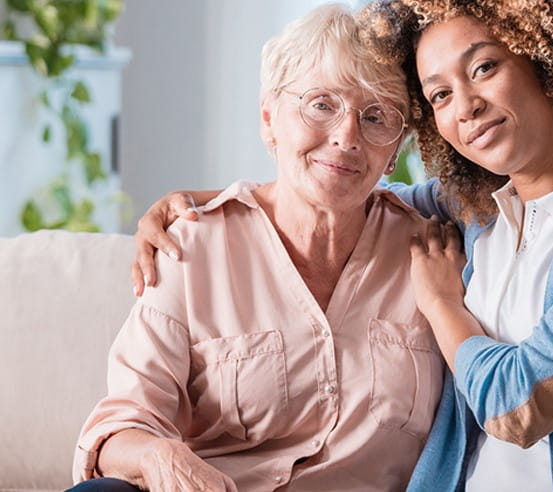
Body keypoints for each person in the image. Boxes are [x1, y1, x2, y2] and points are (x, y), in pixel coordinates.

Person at [134, 0, 553, 491]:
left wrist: (441, 307)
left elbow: (521, 408)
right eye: (438, 95)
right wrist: (198, 201)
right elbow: (342, 184)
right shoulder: (482, 205)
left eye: (484, 67)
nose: (465, 106)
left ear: (548, 57)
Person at [69, 4, 445, 491]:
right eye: (321, 104)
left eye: (376, 116)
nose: (347, 137)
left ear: (395, 150)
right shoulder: (193, 247)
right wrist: (159, 453)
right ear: (270, 118)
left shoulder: (433, 248)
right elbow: (122, 424)